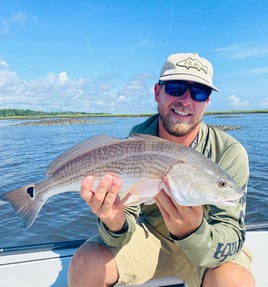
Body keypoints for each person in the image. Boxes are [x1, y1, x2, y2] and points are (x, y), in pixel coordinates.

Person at [68, 53, 255, 287]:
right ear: (158, 92)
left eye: (199, 93)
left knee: (234, 282)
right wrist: (114, 221)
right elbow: (126, 219)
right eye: (176, 88)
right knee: (86, 265)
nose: (186, 101)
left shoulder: (229, 152)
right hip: (150, 238)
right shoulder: (135, 145)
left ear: (207, 102)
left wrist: (192, 230)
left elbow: (231, 233)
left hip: (207, 244)